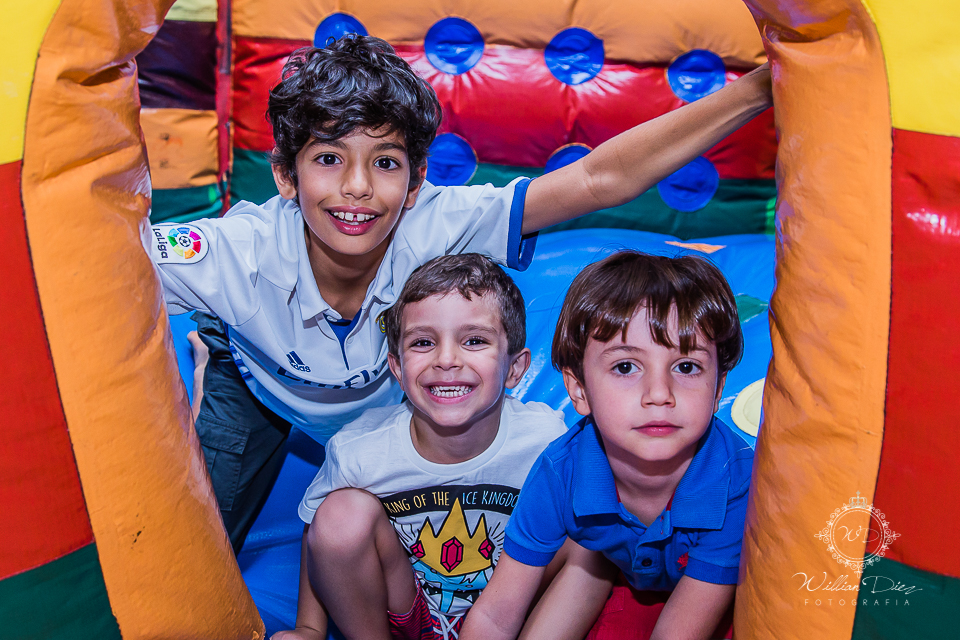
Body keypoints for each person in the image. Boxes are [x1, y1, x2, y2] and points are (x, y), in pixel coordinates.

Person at [146, 34, 772, 553]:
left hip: (387, 399)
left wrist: (757, 90)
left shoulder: (438, 224)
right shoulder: (234, 252)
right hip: (259, 386)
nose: (358, 187)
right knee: (196, 550)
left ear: (416, 181)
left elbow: (596, 179)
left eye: (385, 163)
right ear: (286, 175)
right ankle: (212, 356)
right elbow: (108, 263)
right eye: (329, 159)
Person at [274, 254, 614, 640]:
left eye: (474, 340)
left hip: (514, 606)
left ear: (515, 368)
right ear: (398, 369)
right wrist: (309, 628)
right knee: (339, 517)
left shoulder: (544, 438)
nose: (447, 360)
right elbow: (319, 537)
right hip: (409, 608)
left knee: (592, 534)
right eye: (423, 342)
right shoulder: (360, 450)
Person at [459, 251, 755, 640]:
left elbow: (679, 631)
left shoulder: (735, 482)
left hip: (718, 594)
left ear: (717, 390)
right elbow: (496, 614)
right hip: (615, 567)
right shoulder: (562, 472)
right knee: (587, 562)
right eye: (625, 367)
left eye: (686, 367)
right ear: (579, 390)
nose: (659, 394)